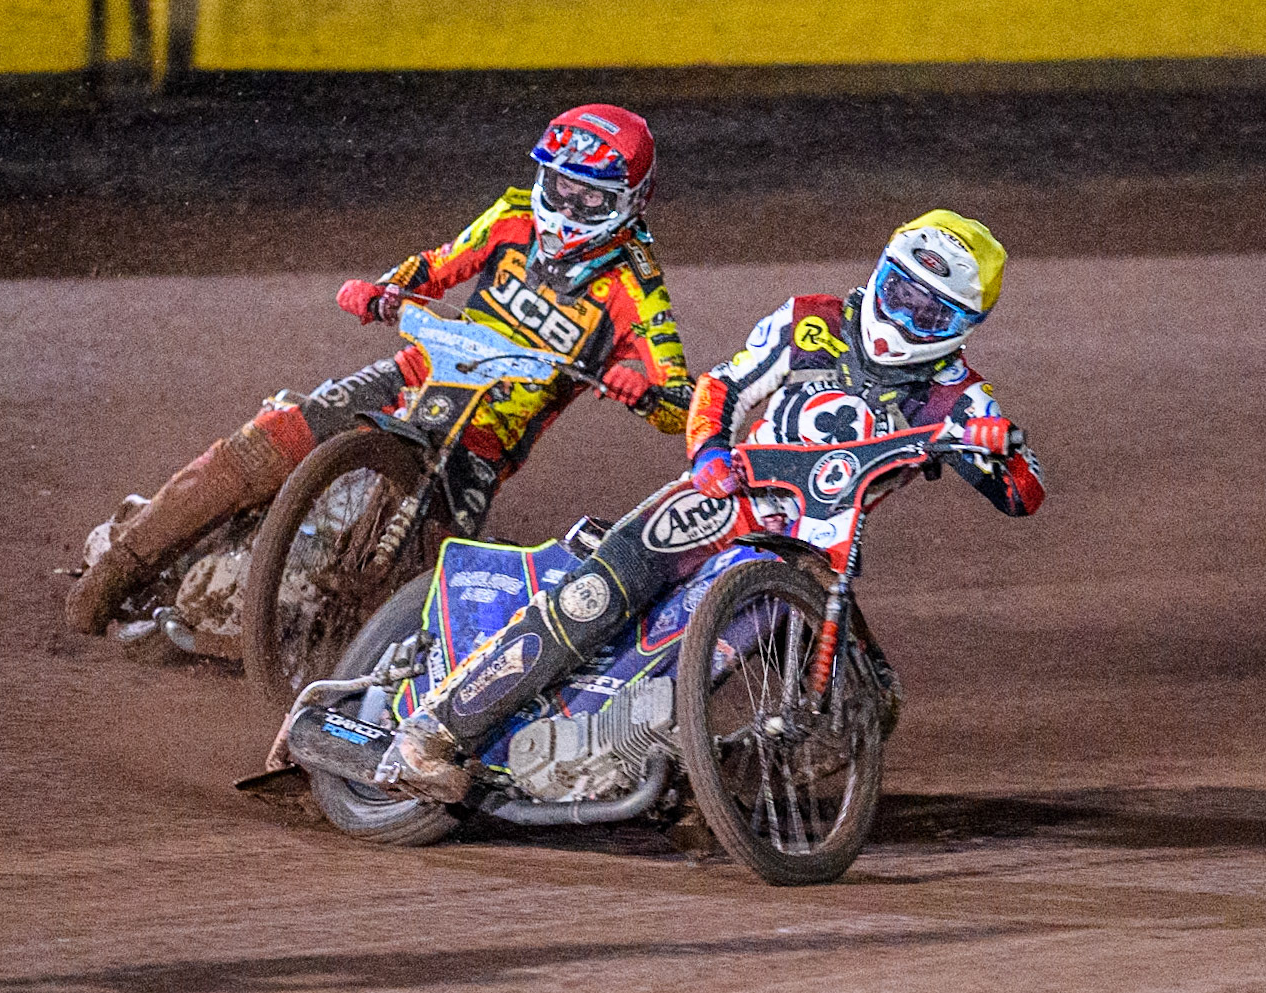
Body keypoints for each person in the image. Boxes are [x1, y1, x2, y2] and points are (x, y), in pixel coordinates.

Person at [374, 208, 1047, 802]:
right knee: (599, 593)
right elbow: (722, 385)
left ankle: (707, 786)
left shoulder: (963, 398)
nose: (902, 316)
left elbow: (1024, 491)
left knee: (869, 700)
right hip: (731, 498)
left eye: (928, 312)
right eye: (897, 291)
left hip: (818, 553)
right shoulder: (808, 320)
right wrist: (708, 455)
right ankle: (431, 732)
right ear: (879, 272)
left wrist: (999, 451)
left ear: (962, 325)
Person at [66, 104, 692, 635]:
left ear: (632, 202)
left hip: (480, 442)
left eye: (591, 197)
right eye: (560, 186)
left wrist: (643, 390)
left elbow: (679, 398)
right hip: (415, 373)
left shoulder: (638, 289)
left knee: (415, 598)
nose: (570, 204)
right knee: (269, 442)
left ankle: (306, 650)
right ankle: (122, 563)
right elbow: (435, 266)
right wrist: (384, 292)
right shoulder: (511, 218)